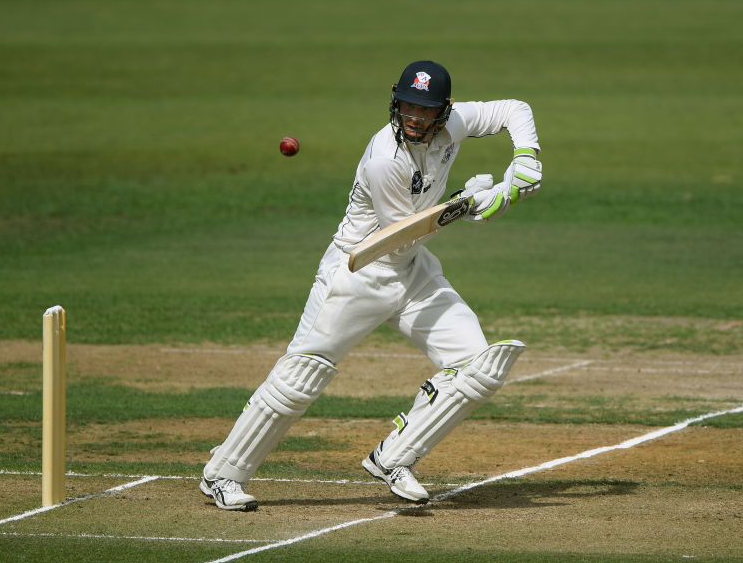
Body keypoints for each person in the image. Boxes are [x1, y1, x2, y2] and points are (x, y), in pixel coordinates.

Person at [200, 60, 542, 511]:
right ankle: (223, 474)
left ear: (445, 110)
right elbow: (402, 233)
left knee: (479, 364)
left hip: (413, 272)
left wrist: (525, 157)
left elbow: (515, 109)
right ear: (396, 102)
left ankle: (394, 458)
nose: (415, 117)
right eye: (407, 106)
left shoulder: (454, 123)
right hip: (357, 272)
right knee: (302, 375)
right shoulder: (385, 158)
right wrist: (475, 202)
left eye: (425, 110)